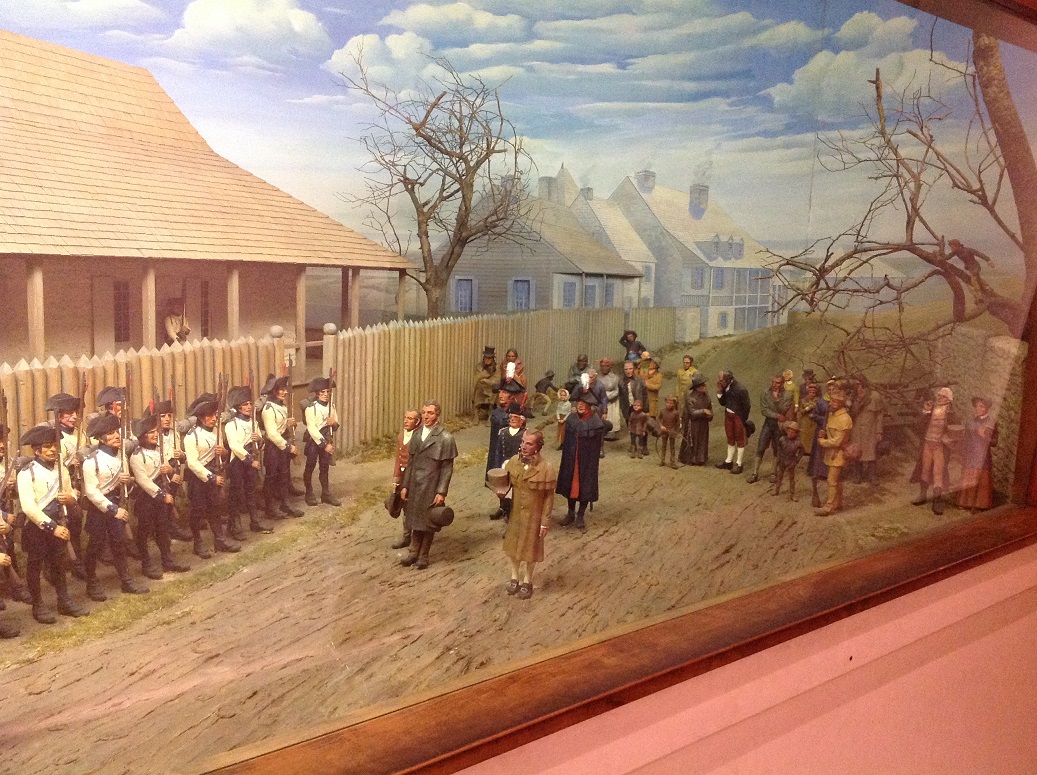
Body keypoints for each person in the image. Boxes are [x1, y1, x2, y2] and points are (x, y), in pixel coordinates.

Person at [17, 423, 90, 624]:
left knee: (59, 564)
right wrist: (53, 527)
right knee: (35, 566)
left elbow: (70, 492)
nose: (52, 450)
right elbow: (29, 507)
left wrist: (70, 498)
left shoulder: (61, 469)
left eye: (54, 446)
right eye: (47, 446)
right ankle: (38, 605)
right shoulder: (27, 473)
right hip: (37, 527)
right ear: (36, 450)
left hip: (59, 522)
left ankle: (64, 600)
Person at [82, 413, 149, 600]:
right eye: (110, 433)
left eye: (116, 432)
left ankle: (126, 580)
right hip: (100, 508)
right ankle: (91, 581)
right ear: (100, 438)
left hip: (117, 503)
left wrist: (126, 481)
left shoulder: (120, 455)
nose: (116, 436)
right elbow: (92, 492)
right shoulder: (91, 461)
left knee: (119, 543)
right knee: (95, 545)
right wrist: (113, 509)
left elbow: (123, 484)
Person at [129, 414, 190, 579]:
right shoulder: (137, 456)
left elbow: (167, 468)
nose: (156, 435)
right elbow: (143, 481)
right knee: (144, 532)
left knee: (163, 529)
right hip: (146, 499)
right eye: (151, 432)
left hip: (161, 497)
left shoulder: (159, 451)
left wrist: (170, 472)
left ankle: (168, 561)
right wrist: (163, 495)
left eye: (156, 431)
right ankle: (146, 564)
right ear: (142, 436)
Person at [399, 400, 458, 570]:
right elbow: (410, 463)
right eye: (424, 412)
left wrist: (441, 491)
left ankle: (423, 555)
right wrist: (405, 485)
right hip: (415, 485)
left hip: (432, 485)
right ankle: (413, 552)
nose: (426, 416)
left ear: (437, 415)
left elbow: (447, 468)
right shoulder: (416, 435)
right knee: (414, 518)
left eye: (430, 413)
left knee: (429, 520)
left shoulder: (445, 438)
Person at [502, 429, 557, 600]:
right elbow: (506, 485)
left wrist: (545, 522)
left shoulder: (546, 468)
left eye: (529, 443)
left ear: (537, 447)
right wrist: (501, 492)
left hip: (534, 517)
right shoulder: (513, 462)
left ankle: (527, 580)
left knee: (530, 549)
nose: (524, 446)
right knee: (513, 547)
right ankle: (514, 577)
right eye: (523, 442)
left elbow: (549, 497)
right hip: (516, 515)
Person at [184, 397, 240, 558]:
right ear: (201, 418)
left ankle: (220, 539)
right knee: (197, 511)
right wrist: (211, 478)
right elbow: (193, 463)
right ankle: (198, 543)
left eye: (215, 415)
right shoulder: (191, 437)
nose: (214, 418)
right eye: (210, 416)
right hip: (198, 478)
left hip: (213, 473)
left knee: (215, 508)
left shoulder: (216, 431)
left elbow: (222, 454)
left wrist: (223, 453)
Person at [556, 393, 610, 531]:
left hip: (587, 463)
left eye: (583, 403)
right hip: (571, 461)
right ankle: (570, 513)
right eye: (578, 402)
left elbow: (602, 438)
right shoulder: (572, 419)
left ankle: (580, 515)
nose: (580, 405)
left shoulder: (595, 423)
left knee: (585, 487)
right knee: (570, 486)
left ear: (589, 406)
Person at [224, 386, 273, 538]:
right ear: (238, 407)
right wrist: (250, 460)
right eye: (245, 405)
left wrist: (259, 440)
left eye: (250, 404)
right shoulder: (231, 425)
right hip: (238, 463)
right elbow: (234, 446)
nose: (249, 407)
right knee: (235, 494)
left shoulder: (253, 423)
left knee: (251, 492)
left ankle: (255, 521)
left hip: (251, 461)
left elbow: (260, 444)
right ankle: (234, 525)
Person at [260, 374, 304, 520]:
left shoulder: (281, 406)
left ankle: (286, 504)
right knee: (271, 477)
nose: (284, 392)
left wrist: (288, 423)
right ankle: (270, 508)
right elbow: (272, 434)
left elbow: (280, 426)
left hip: (282, 445)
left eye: (284, 389)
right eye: (281, 389)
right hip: (273, 448)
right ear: (273, 391)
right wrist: (288, 447)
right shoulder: (268, 409)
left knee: (284, 475)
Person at [910, 387, 959, 515]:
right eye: (939, 395)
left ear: (948, 399)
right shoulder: (932, 409)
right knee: (925, 469)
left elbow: (956, 432)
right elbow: (918, 426)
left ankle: (937, 501)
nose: (940, 398)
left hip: (939, 447)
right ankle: (923, 495)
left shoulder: (951, 415)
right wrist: (925, 412)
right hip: (927, 443)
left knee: (938, 473)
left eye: (943, 396)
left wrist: (946, 439)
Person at [814, 384, 853, 516]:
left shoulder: (845, 419)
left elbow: (837, 441)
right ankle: (838, 503)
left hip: (838, 453)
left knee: (832, 480)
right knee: (837, 480)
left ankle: (829, 506)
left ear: (841, 404)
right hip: (831, 453)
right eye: (831, 400)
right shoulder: (832, 415)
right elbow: (829, 430)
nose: (831, 403)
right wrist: (823, 433)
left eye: (834, 401)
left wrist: (822, 441)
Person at [302, 376, 341, 507]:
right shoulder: (311, 408)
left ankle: (326, 494)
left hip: (327, 438)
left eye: (327, 392)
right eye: (322, 392)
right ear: (317, 394)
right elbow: (312, 429)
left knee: (324, 467)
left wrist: (333, 422)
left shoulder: (331, 406)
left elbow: (336, 424)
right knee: (310, 466)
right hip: (315, 441)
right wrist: (324, 445)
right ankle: (309, 493)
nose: (325, 394)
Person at [747, 374, 792, 484]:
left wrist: (776, 400)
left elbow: (784, 409)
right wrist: (777, 415)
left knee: (777, 449)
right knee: (761, 447)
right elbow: (764, 410)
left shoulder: (788, 395)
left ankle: (773, 472)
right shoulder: (765, 393)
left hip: (779, 426)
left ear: (782, 384)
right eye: (773, 382)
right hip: (768, 424)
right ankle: (755, 473)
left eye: (777, 383)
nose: (774, 385)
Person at [958, 396, 998, 511]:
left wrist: (984, 436)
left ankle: (981, 505)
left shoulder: (991, 423)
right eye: (977, 406)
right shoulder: (970, 422)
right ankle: (966, 503)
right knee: (968, 478)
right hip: (970, 455)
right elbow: (966, 439)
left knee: (982, 480)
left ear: (987, 408)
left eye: (981, 406)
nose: (978, 408)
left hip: (983, 456)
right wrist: (962, 452)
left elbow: (994, 442)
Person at [491, 402, 529, 520]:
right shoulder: (502, 432)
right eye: (511, 417)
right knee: (503, 488)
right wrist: (497, 466)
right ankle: (504, 508)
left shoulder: (525, 434)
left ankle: (514, 511)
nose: (512, 419)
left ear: (521, 421)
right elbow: (498, 451)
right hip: (504, 465)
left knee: (516, 490)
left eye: (515, 417)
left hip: (518, 467)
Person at [390, 409, 420, 549]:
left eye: (410, 418)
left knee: (415, 505)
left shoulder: (419, 437)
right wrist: (396, 478)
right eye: (405, 417)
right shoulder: (401, 436)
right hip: (403, 475)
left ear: (417, 421)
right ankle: (407, 536)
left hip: (414, 475)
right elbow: (398, 458)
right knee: (404, 505)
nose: (406, 421)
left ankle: (418, 538)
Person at [716, 370, 751, 474]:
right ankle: (729, 461)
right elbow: (723, 403)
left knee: (740, 439)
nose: (719, 382)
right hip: (728, 414)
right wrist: (719, 392)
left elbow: (747, 406)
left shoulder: (740, 389)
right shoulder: (725, 387)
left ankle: (739, 463)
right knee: (730, 437)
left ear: (728, 379)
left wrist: (742, 419)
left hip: (737, 416)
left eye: (721, 380)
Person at [850, 379, 884, 486]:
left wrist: (879, 431)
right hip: (856, 429)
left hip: (870, 429)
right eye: (855, 384)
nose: (856, 386)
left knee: (871, 452)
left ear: (863, 384)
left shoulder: (874, 396)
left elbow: (879, 414)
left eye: (858, 384)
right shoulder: (852, 396)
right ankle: (857, 474)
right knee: (856, 451)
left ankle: (872, 475)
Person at [487, 382, 521, 479]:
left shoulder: (518, 412)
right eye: (500, 392)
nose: (500, 395)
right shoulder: (496, 414)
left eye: (504, 393)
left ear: (512, 396)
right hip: (498, 451)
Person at [805, 382, 830, 508]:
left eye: (833, 388)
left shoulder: (837, 401)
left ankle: (827, 473)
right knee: (818, 452)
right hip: (821, 429)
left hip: (832, 431)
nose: (831, 390)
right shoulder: (821, 402)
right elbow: (814, 415)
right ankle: (816, 471)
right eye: (829, 388)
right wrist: (825, 421)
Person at [679, 372, 713, 465]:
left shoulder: (707, 398)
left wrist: (710, 415)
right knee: (693, 441)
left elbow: (710, 409)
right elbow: (692, 413)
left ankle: (701, 458)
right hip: (693, 424)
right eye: (703, 385)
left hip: (703, 424)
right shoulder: (690, 398)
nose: (705, 387)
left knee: (702, 441)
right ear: (697, 387)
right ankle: (691, 458)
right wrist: (703, 411)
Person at [772, 422, 805, 501]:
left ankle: (792, 494)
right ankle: (776, 489)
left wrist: (797, 460)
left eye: (793, 432)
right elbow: (778, 448)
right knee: (779, 476)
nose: (790, 433)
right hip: (782, 460)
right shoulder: (782, 439)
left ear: (796, 434)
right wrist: (778, 458)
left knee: (791, 478)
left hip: (791, 461)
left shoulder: (798, 443)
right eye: (789, 431)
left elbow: (802, 451)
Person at [597, 358, 621, 440]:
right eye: (602, 366)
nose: (604, 368)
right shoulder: (597, 377)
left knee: (612, 417)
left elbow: (617, 390)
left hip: (611, 402)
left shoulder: (615, 378)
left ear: (610, 367)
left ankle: (612, 433)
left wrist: (608, 397)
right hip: (600, 401)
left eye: (606, 366)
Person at [619, 360, 648, 427]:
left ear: (634, 369)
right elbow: (621, 396)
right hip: (627, 408)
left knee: (641, 427)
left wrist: (646, 410)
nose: (628, 371)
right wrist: (622, 407)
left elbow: (645, 395)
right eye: (626, 369)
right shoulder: (621, 381)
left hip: (639, 408)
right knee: (630, 427)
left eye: (630, 368)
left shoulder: (640, 380)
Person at [473, 346, 498, 423]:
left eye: (490, 358)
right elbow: (477, 377)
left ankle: (490, 414)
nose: (487, 360)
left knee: (494, 391)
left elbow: (496, 379)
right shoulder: (479, 366)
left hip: (490, 386)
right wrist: (484, 377)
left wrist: (487, 380)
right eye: (486, 358)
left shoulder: (496, 367)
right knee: (478, 389)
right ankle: (476, 414)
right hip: (481, 385)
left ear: (493, 359)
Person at [657, 395, 680, 468]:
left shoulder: (676, 413)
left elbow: (677, 423)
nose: (669, 404)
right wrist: (661, 426)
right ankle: (662, 460)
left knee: (672, 447)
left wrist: (676, 431)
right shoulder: (662, 411)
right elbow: (658, 419)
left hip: (672, 432)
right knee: (663, 446)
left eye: (671, 403)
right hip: (664, 431)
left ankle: (672, 462)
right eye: (667, 403)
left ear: (674, 404)